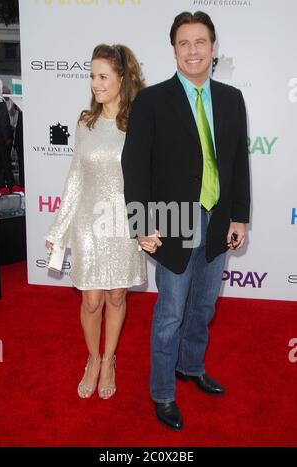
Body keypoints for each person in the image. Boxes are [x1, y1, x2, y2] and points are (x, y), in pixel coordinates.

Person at [122, 11, 250, 430]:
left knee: (205, 305)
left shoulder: (232, 99)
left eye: (200, 42)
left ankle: (190, 366)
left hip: (217, 218)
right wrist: (141, 222)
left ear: (213, 48)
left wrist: (240, 217)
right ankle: (162, 392)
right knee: (171, 312)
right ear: (174, 50)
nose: (192, 50)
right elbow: (135, 167)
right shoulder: (152, 100)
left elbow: (238, 164)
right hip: (174, 219)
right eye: (184, 43)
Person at [46, 44, 146, 400]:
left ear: (122, 78)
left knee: (117, 295)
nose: (95, 84)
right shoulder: (85, 122)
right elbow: (75, 178)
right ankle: (92, 357)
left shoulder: (139, 122)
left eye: (103, 76)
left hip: (122, 222)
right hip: (88, 222)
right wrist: (59, 229)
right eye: (91, 76)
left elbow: (148, 176)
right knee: (91, 300)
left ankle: (109, 360)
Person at [0, 79, 13, 193]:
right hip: (2, 141)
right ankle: (10, 185)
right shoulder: (1, 104)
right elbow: (3, 124)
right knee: (6, 163)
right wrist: (7, 138)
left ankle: (0, 184)